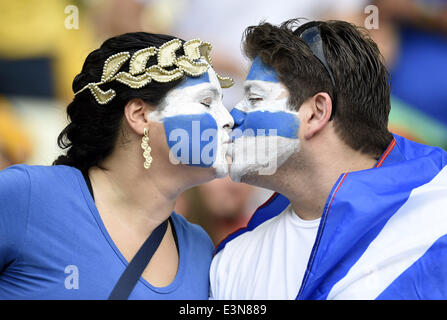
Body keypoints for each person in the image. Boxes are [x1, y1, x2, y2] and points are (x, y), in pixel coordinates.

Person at [210, 20, 447, 300]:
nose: (230, 118)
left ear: (316, 112)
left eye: (255, 98)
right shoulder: (233, 263)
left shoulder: (438, 202)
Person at [0, 32, 234, 299]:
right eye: (206, 102)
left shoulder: (200, 247)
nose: (228, 119)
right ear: (139, 115)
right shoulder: (28, 196)